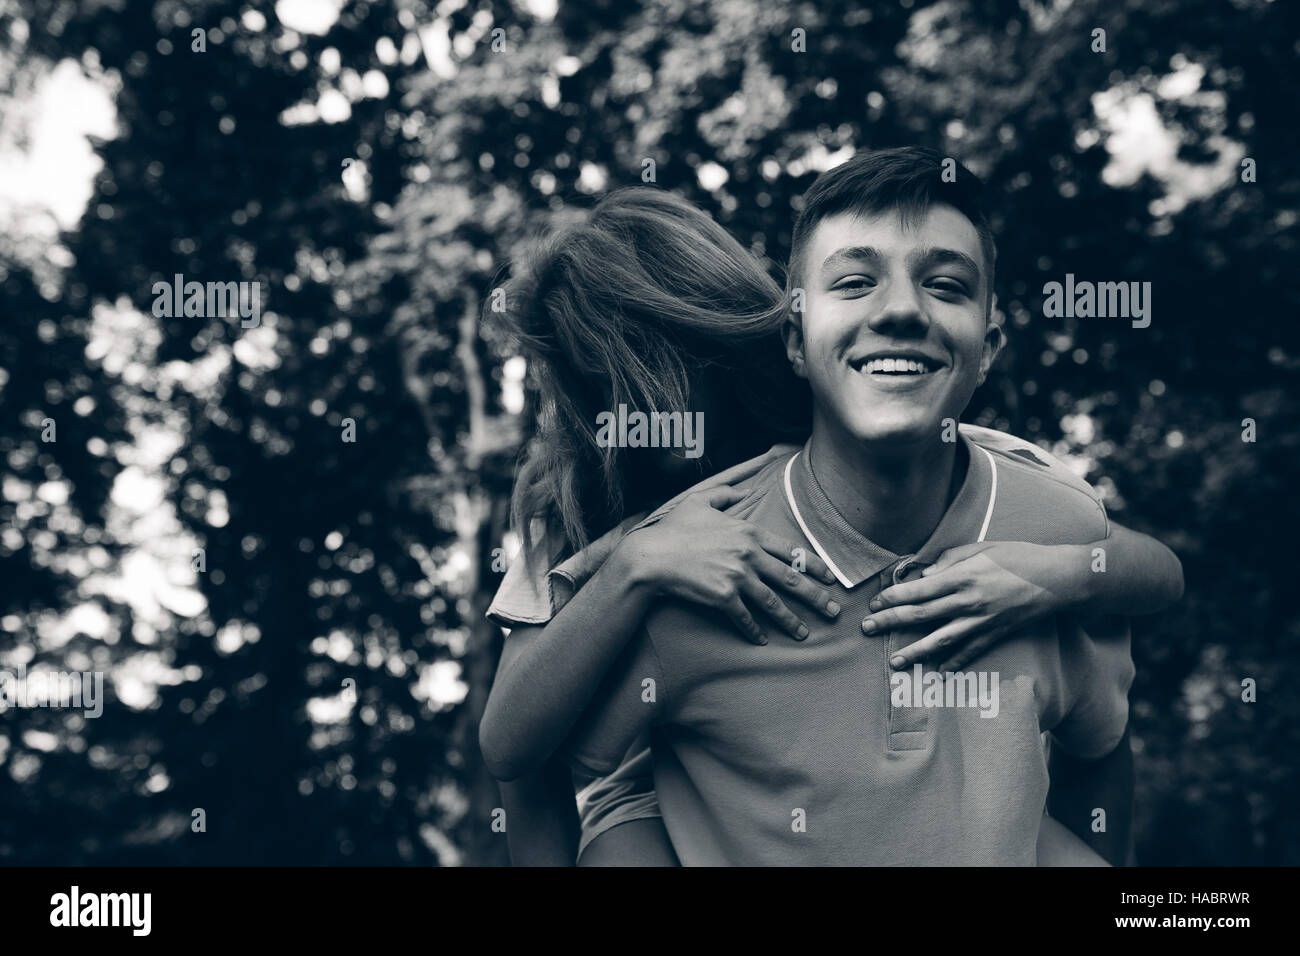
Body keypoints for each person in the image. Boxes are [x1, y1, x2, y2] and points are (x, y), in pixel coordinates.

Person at [480, 166, 1181, 864]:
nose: (647, 413)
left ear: (731, 337)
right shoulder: (570, 503)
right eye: (604, 383)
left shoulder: (870, 427)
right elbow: (517, 758)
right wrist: (635, 563)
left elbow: (1140, 571)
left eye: (663, 368)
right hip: (637, 792)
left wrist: (1055, 571)